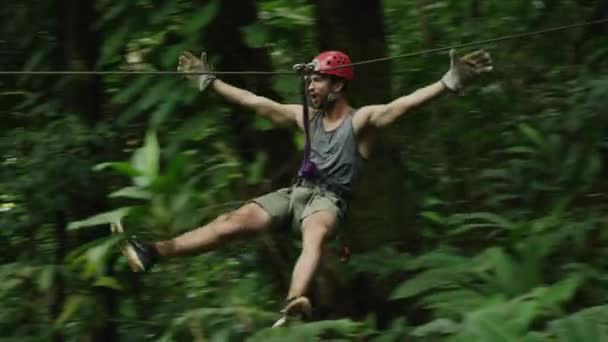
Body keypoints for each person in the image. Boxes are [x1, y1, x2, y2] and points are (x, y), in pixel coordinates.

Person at [120, 49, 492, 326]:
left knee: (314, 236)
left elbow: (403, 105)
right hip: (295, 193)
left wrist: (450, 81)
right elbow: (257, 103)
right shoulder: (306, 117)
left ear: (338, 84)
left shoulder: (361, 121)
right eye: (310, 79)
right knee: (230, 223)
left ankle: (295, 299)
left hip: (329, 202)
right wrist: (210, 82)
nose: (310, 86)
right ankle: (153, 251)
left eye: (317, 80)